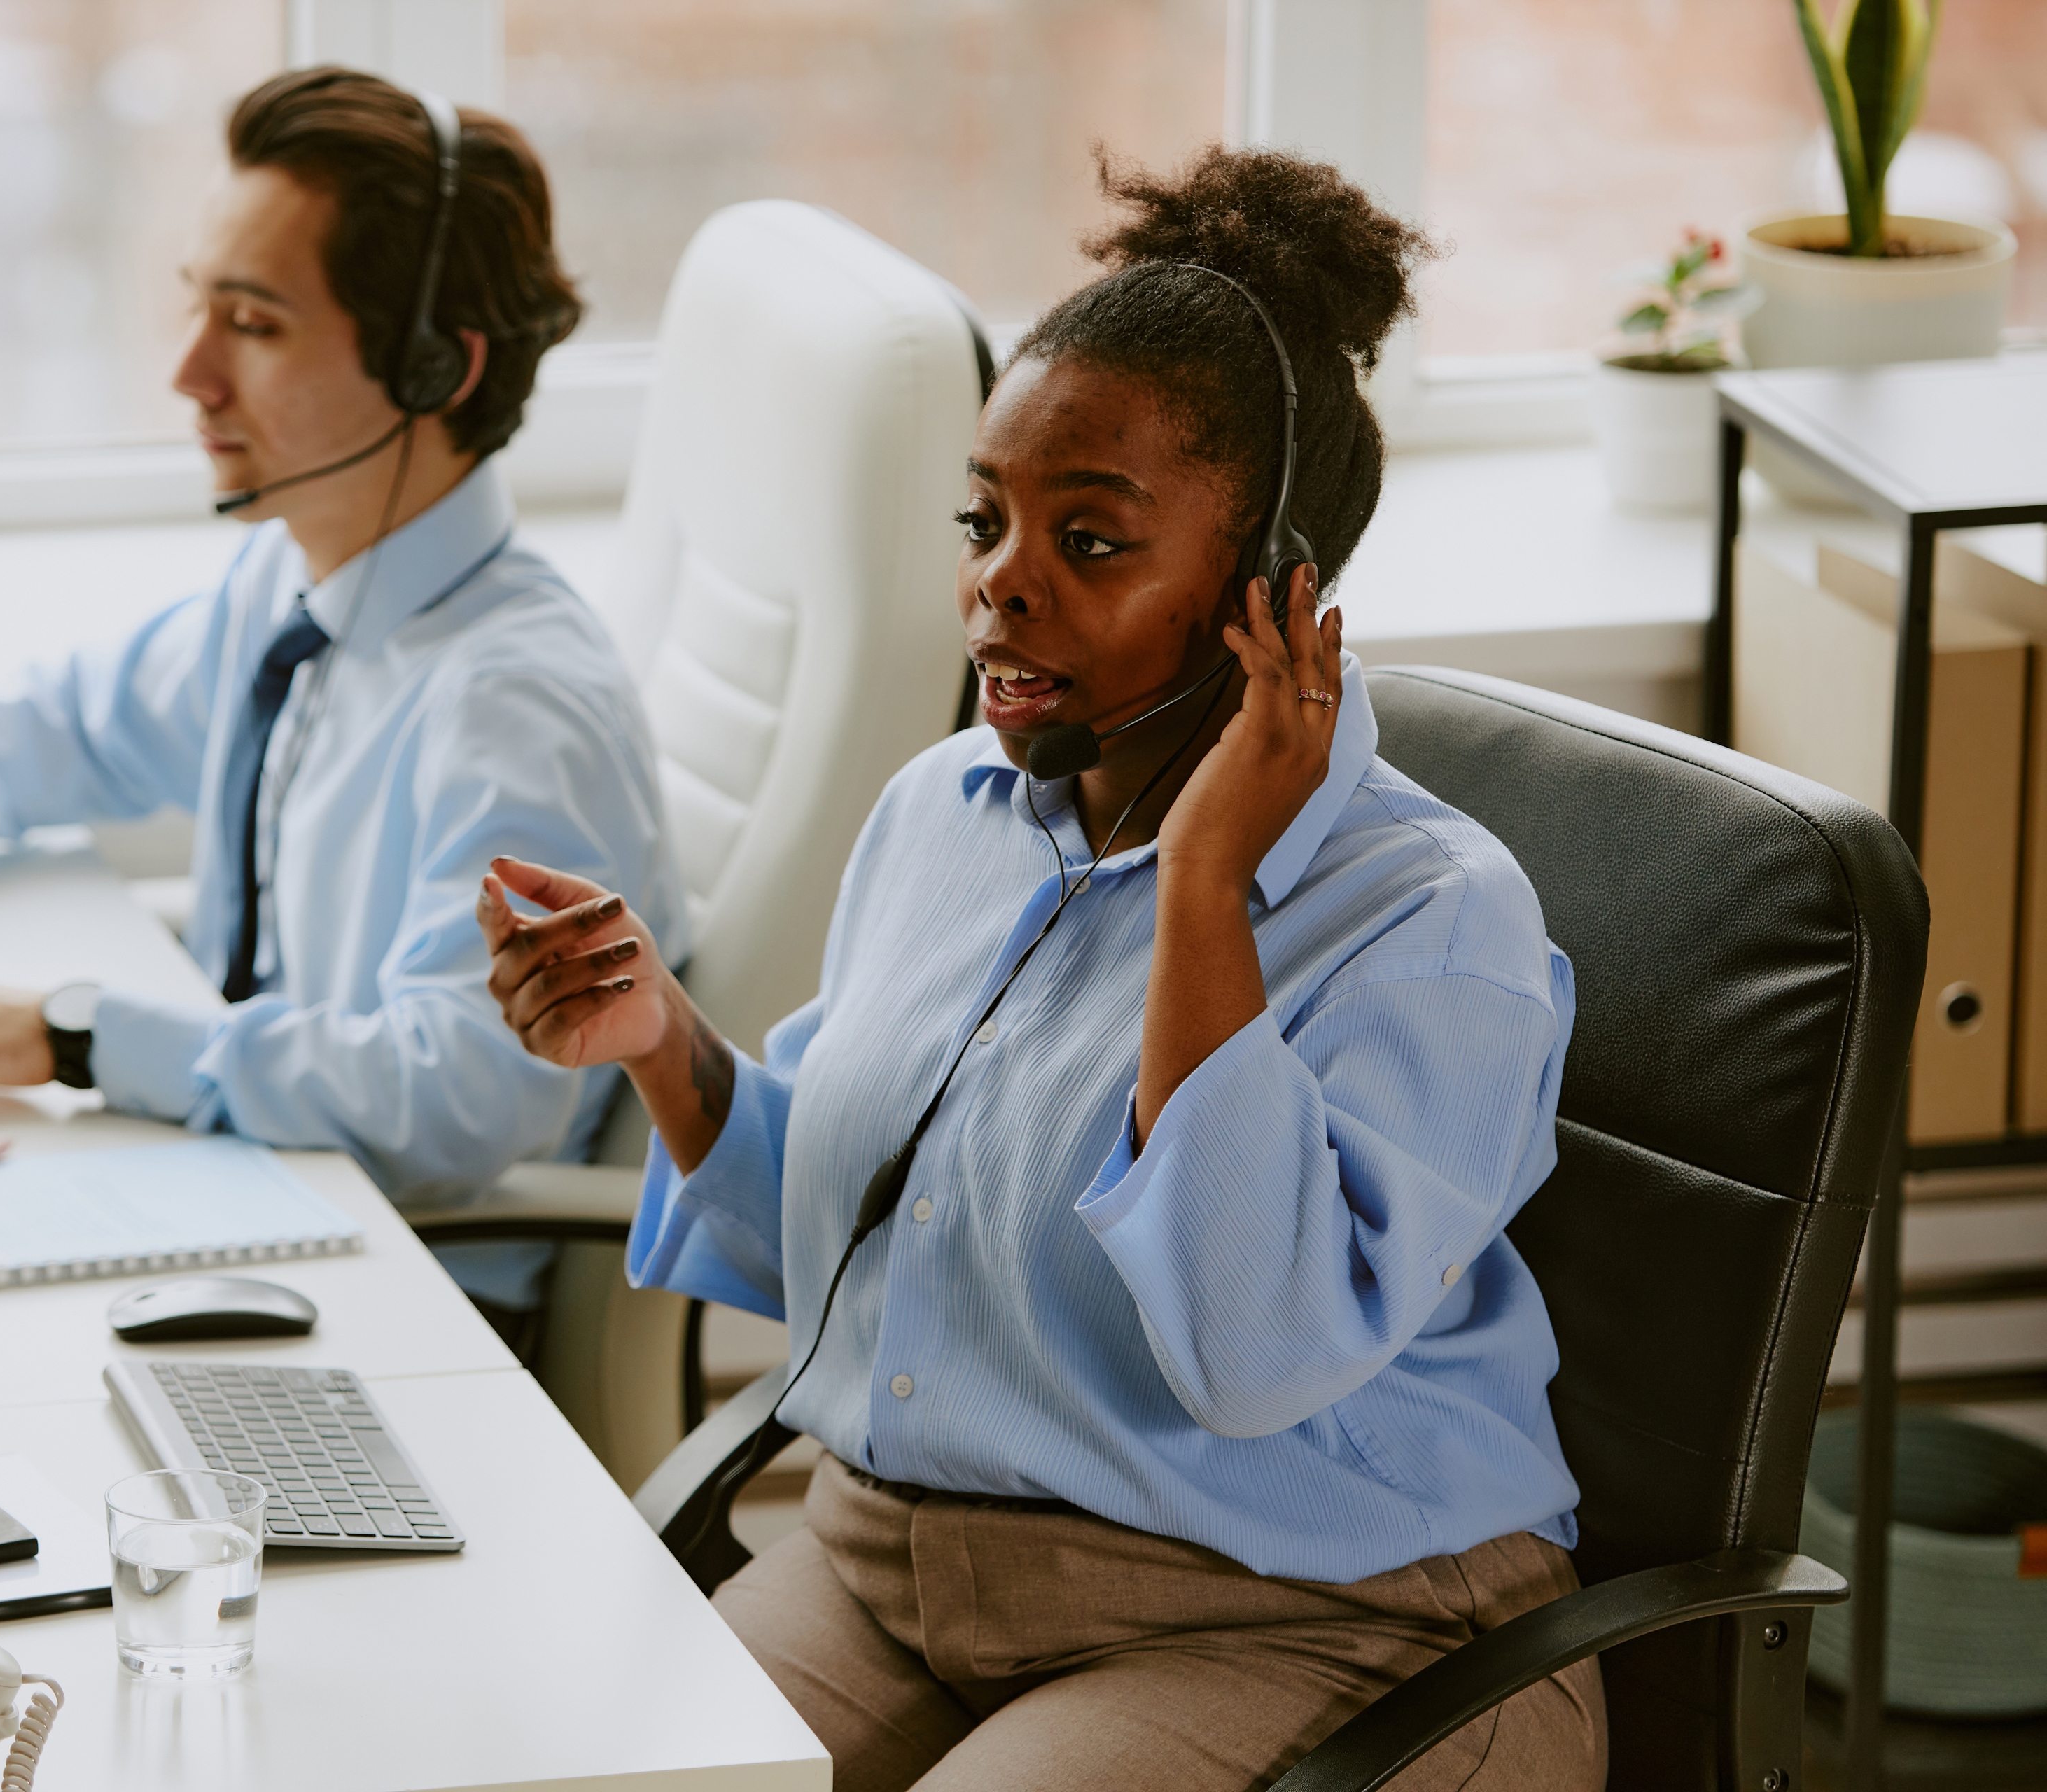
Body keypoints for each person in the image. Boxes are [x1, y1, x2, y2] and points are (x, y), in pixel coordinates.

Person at [479, 146, 1602, 1790]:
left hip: (1303, 1609)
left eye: (1088, 537)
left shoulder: (1434, 922)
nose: (1001, 578)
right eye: (985, 517)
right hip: (902, 1567)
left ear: (1269, 587)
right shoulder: (950, 811)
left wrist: (1204, 887)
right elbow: (897, 1241)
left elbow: (1251, 1349)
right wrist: (665, 1045)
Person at [0, 68, 687, 1322]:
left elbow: (451, 1097)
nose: (190, 373)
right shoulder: (297, 587)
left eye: (253, 324)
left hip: (402, 1295)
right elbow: (63, 729)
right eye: (198, 308)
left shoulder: (516, 709)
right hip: (259, 1204)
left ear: (429, 370)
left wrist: (75, 1036)